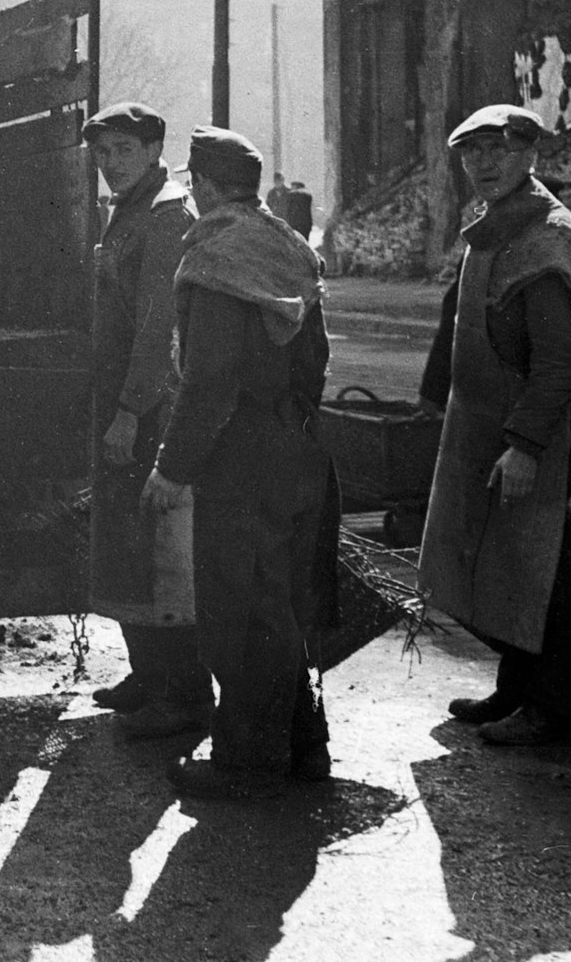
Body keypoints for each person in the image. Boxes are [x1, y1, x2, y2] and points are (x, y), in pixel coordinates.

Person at [142, 126, 336, 798]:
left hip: (240, 455)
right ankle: (305, 742)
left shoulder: (216, 258)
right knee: (277, 597)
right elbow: (315, 360)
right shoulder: (288, 246)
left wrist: (172, 466)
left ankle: (249, 760)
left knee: (240, 606)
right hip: (293, 445)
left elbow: (209, 380)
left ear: (202, 185)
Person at [416, 105, 571, 747]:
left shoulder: (545, 236)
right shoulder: (496, 228)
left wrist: (526, 446)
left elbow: (559, 365)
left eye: (500, 148)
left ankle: (553, 709)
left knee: (542, 565)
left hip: (533, 430)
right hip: (488, 427)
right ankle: (517, 688)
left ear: (530, 154)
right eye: (472, 152)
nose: (484, 163)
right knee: (507, 559)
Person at [80, 103, 214, 739]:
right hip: (122, 402)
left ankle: (184, 694)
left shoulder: (165, 216)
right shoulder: (128, 210)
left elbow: (159, 330)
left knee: (161, 550)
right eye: (102, 153)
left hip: (151, 407)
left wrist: (132, 412)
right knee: (126, 544)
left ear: (156, 147)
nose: (110, 165)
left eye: (123, 151)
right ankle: (147, 676)